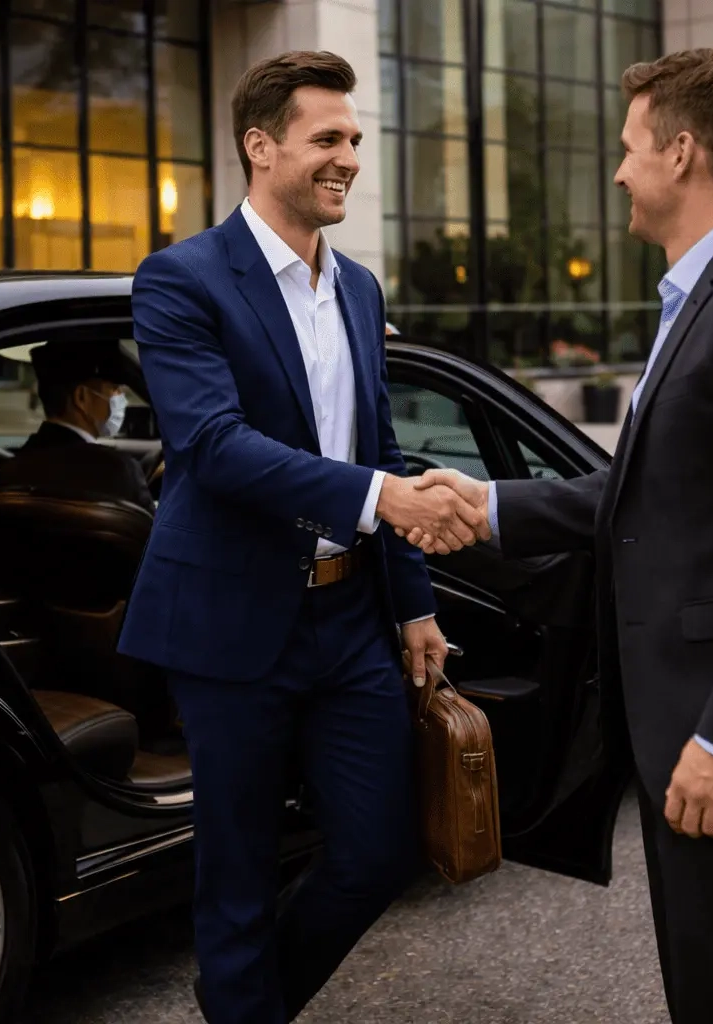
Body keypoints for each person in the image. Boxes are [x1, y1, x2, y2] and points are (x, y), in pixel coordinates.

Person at [407, 49, 713, 1024]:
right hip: (696, 725)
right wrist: (486, 500)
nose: (622, 172)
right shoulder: (707, 295)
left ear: (682, 152)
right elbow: (644, 496)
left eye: (632, 150)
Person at [117, 50, 490, 1024]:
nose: (349, 158)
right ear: (261, 145)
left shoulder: (359, 289)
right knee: (235, 872)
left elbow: (386, 444)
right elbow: (213, 446)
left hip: (351, 619)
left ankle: (245, 1003)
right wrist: (384, 498)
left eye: (354, 140)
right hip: (229, 623)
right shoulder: (181, 278)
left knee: (379, 851)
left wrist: (413, 602)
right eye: (328, 138)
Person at [0, 341, 154, 511]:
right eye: (114, 389)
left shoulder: (11, 472)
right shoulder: (120, 472)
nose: (121, 398)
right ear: (82, 398)